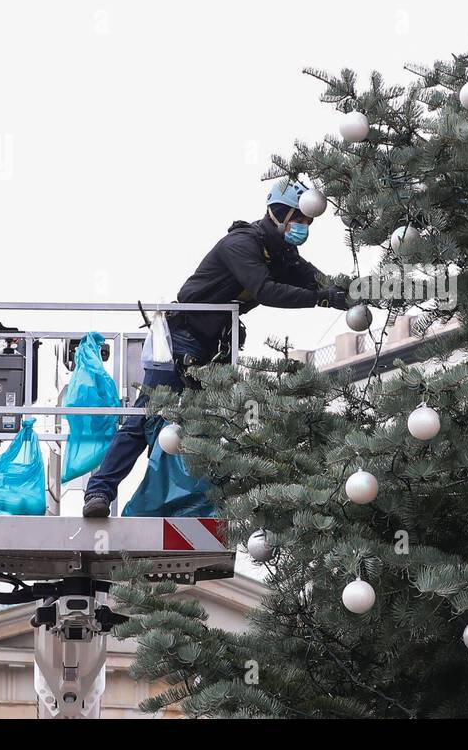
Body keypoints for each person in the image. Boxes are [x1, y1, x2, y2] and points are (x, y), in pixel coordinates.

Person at [82, 180, 349, 517]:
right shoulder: (242, 244)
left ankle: (187, 506)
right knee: (145, 418)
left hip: (212, 352)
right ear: (281, 213)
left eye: (309, 222)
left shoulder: (282, 254)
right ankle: (99, 493)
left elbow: (316, 280)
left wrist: (353, 292)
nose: (304, 227)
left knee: (203, 429)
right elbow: (265, 291)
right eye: (300, 218)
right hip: (180, 342)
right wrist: (323, 299)